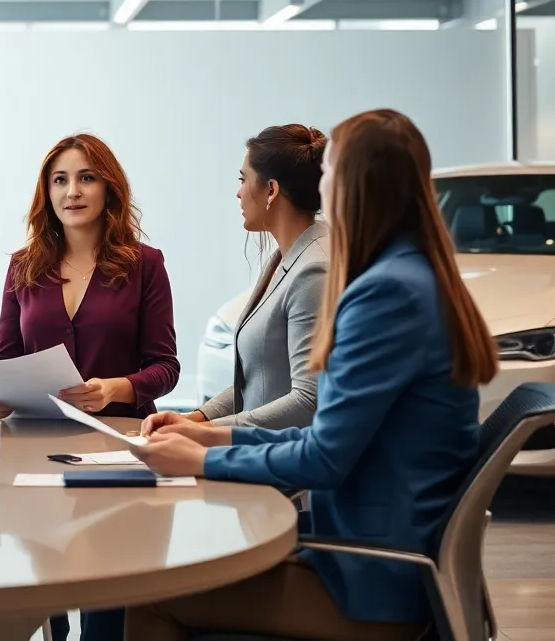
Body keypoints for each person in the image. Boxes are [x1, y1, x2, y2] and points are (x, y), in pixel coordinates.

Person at [126, 109, 499, 641]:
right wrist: (208, 432)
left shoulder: (385, 293)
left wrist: (203, 458)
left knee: (149, 598)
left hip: (375, 583)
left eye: (329, 176)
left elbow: (325, 454)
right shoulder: (415, 272)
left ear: (351, 185)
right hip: (382, 557)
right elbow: (331, 433)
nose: (321, 190)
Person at [0, 133, 180, 641]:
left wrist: (115, 388)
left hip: (116, 448)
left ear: (109, 188)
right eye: (60, 180)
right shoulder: (23, 266)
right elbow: (5, 357)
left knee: (107, 595)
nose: (72, 191)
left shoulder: (145, 265)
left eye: (86, 177)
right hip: (37, 451)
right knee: (47, 583)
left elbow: (165, 367)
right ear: (46, 193)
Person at [143, 124, 327, 435]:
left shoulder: (314, 270)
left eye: (243, 180)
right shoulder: (286, 256)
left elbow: (308, 399)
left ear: (271, 190)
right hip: (257, 455)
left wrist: (208, 432)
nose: (238, 191)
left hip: (283, 469)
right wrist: (195, 418)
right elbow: (255, 379)